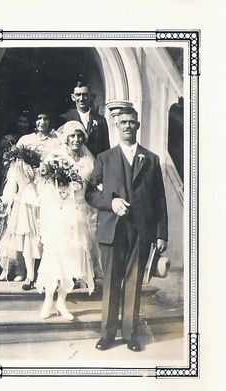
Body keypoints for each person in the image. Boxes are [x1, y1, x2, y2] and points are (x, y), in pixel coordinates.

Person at [85, 107, 168, 352]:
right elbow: (90, 193)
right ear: (117, 126)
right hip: (113, 229)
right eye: (123, 123)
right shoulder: (105, 158)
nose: (128, 126)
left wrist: (162, 233)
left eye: (132, 122)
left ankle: (131, 334)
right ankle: (108, 334)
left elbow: (159, 199)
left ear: (138, 125)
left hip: (141, 230)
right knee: (111, 281)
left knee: (134, 282)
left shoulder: (150, 159)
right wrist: (110, 203)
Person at [36, 121, 95, 320]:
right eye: (72, 136)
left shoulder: (88, 160)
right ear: (66, 138)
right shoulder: (55, 156)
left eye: (80, 136)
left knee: (72, 259)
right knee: (56, 256)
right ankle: (48, 301)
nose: (76, 140)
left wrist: (80, 191)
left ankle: (61, 302)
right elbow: (43, 185)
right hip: (58, 214)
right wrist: (62, 189)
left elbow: (92, 187)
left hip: (77, 214)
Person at [0, 112, 58, 285]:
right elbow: (15, 169)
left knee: (46, 232)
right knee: (27, 233)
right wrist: (13, 192)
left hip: (47, 191)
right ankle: (27, 272)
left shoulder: (55, 141)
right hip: (27, 192)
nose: (42, 122)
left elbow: (58, 164)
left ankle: (46, 272)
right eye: (39, 119)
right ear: (35, 122)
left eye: (46, 118)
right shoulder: (25, 140)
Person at [58, 79, 110, 158]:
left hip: (95, 165)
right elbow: (60, 145)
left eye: (85, 94)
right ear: (73, 97)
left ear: (90, 96)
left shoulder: (100, 120)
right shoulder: (64, 119)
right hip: (72, 165)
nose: (81, 98)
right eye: (78, 95)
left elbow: (105, 148)